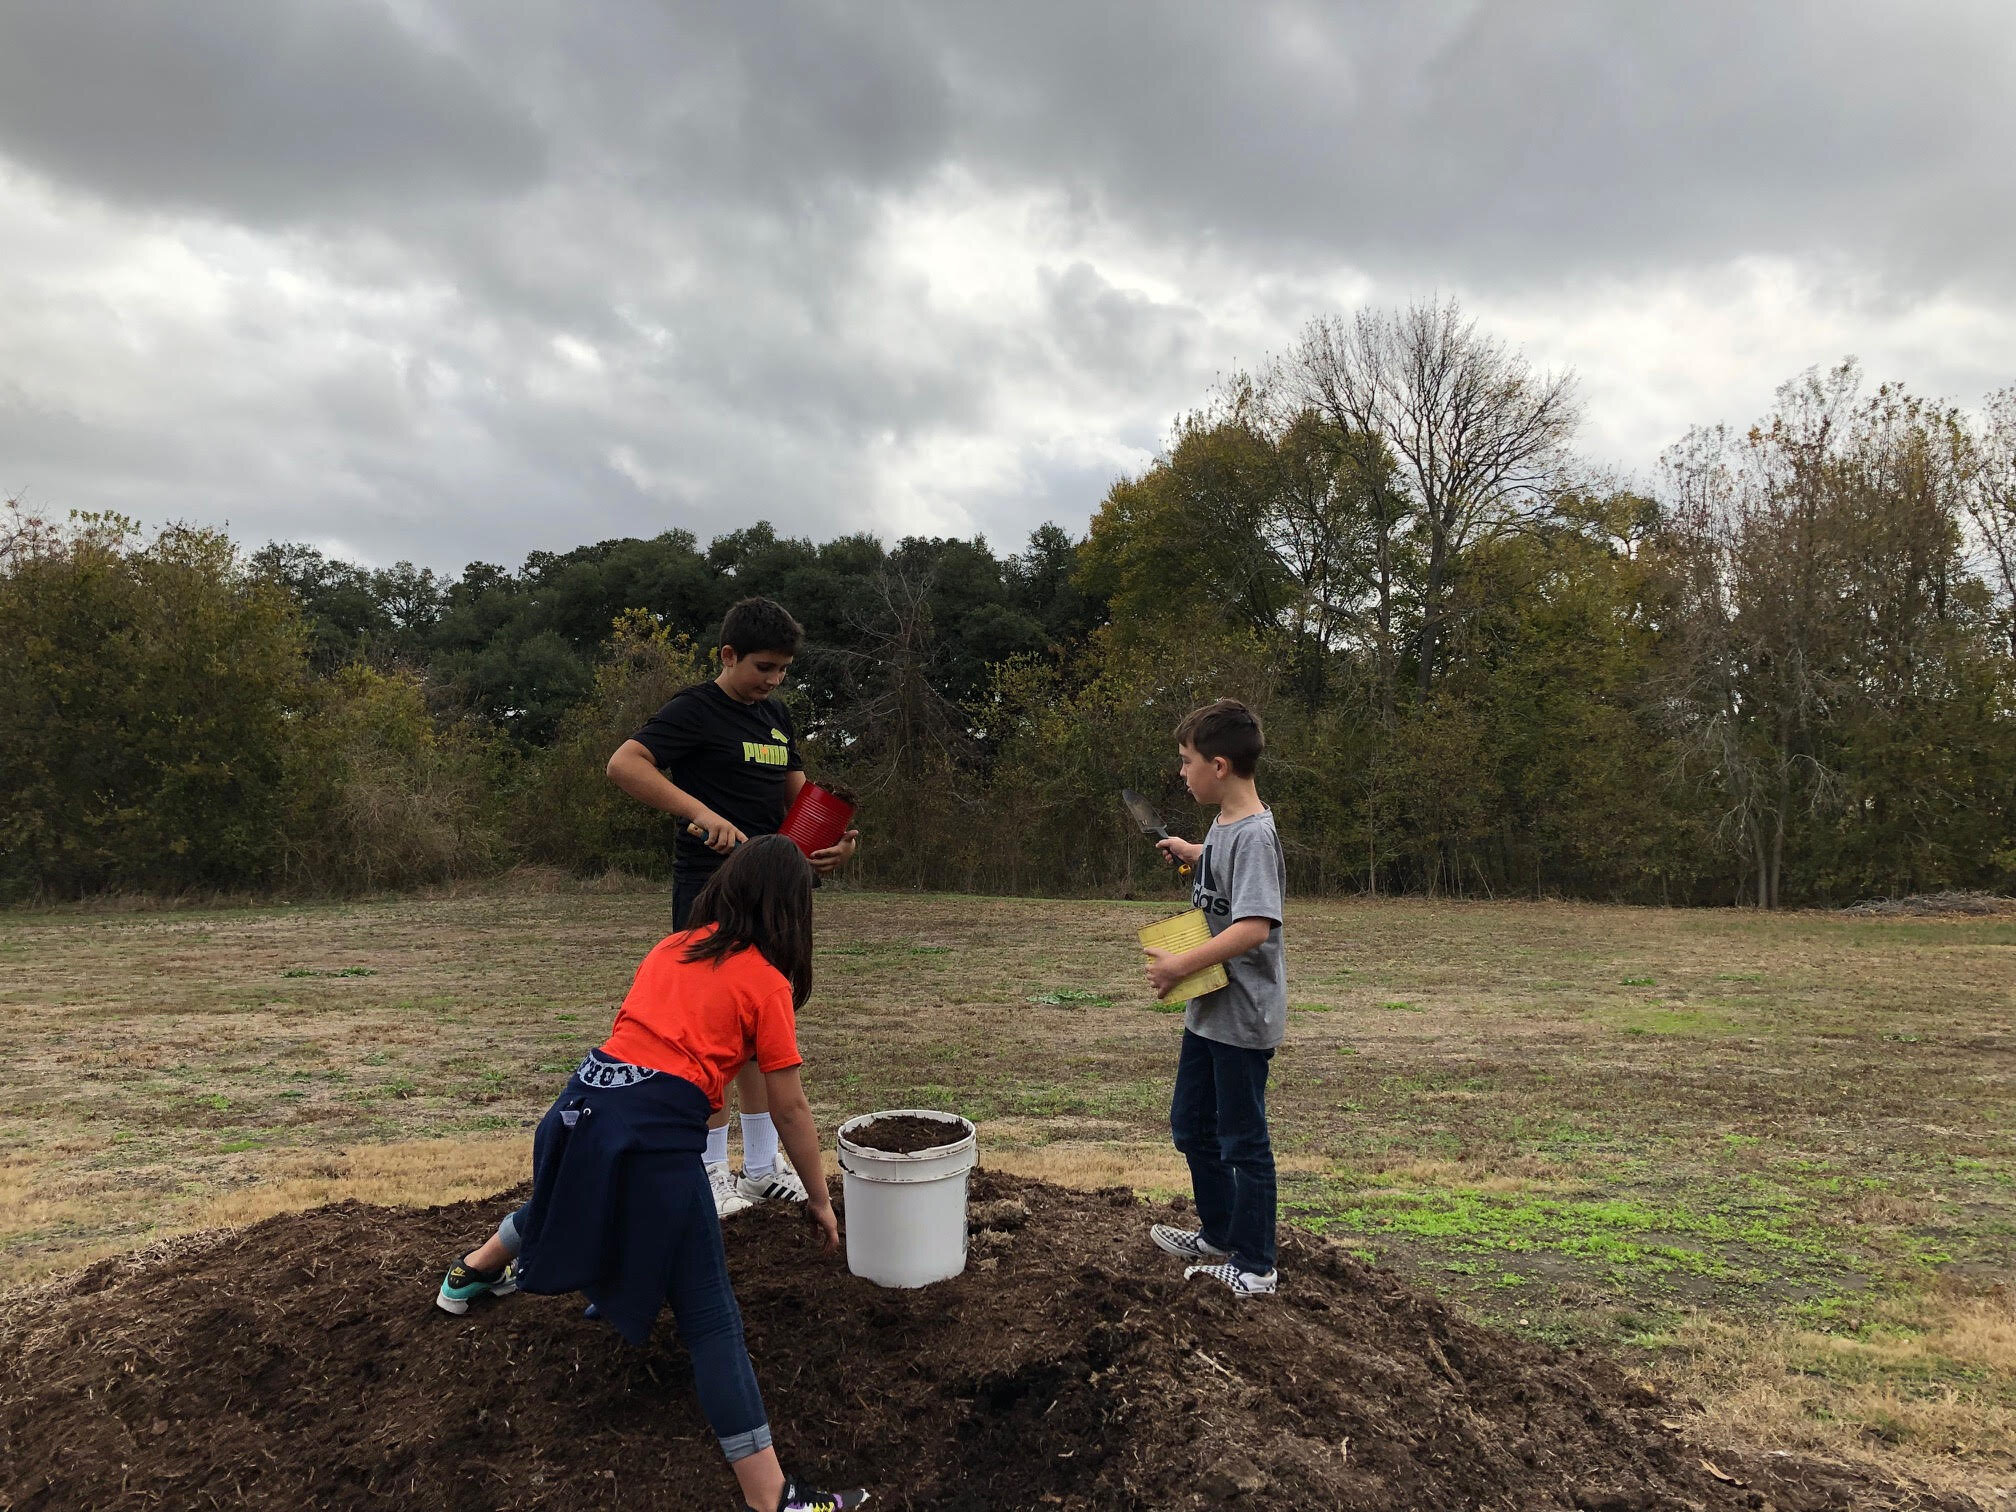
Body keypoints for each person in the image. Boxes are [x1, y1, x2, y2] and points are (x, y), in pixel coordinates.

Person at [433, 836, 868, 1512]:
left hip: (579, 1104)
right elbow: (790, 1105)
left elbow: (667, 1050)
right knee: (711, 1319)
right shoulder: (765, 982)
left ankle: (469, 1273)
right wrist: (821, 1198)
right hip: (648, 1134)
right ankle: (772, 1498)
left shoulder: (674, 948)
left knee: (571, 1199)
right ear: (790, 911)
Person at [606, 597, 859, 1218]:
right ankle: (711, 1169)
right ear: (728, 655)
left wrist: (832, 844)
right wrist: (698, 811)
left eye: (782, 670)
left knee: (761, 1029)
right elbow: (624, 764)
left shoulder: (775, 716)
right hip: (709, 886)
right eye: (763, 667)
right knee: (712, 1029)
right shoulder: (694, 709)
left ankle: (763, 1168)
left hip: (774, 895)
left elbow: (798, 800)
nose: (774, 681)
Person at [1139, 699, 1288, 1297]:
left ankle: (1255, 1266)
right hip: (1209, 1012)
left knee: (1242, 1140)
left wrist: (1179, 964)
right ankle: (1220, 1233)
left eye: (1187, 760)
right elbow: (1224, 870)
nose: (1182, 772)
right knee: (1191, 1126)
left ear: (1219, 766)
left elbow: (1255, 924)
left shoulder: (1255, 835)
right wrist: (1191, 850)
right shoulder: (1224, 827)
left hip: (1242, 1017)